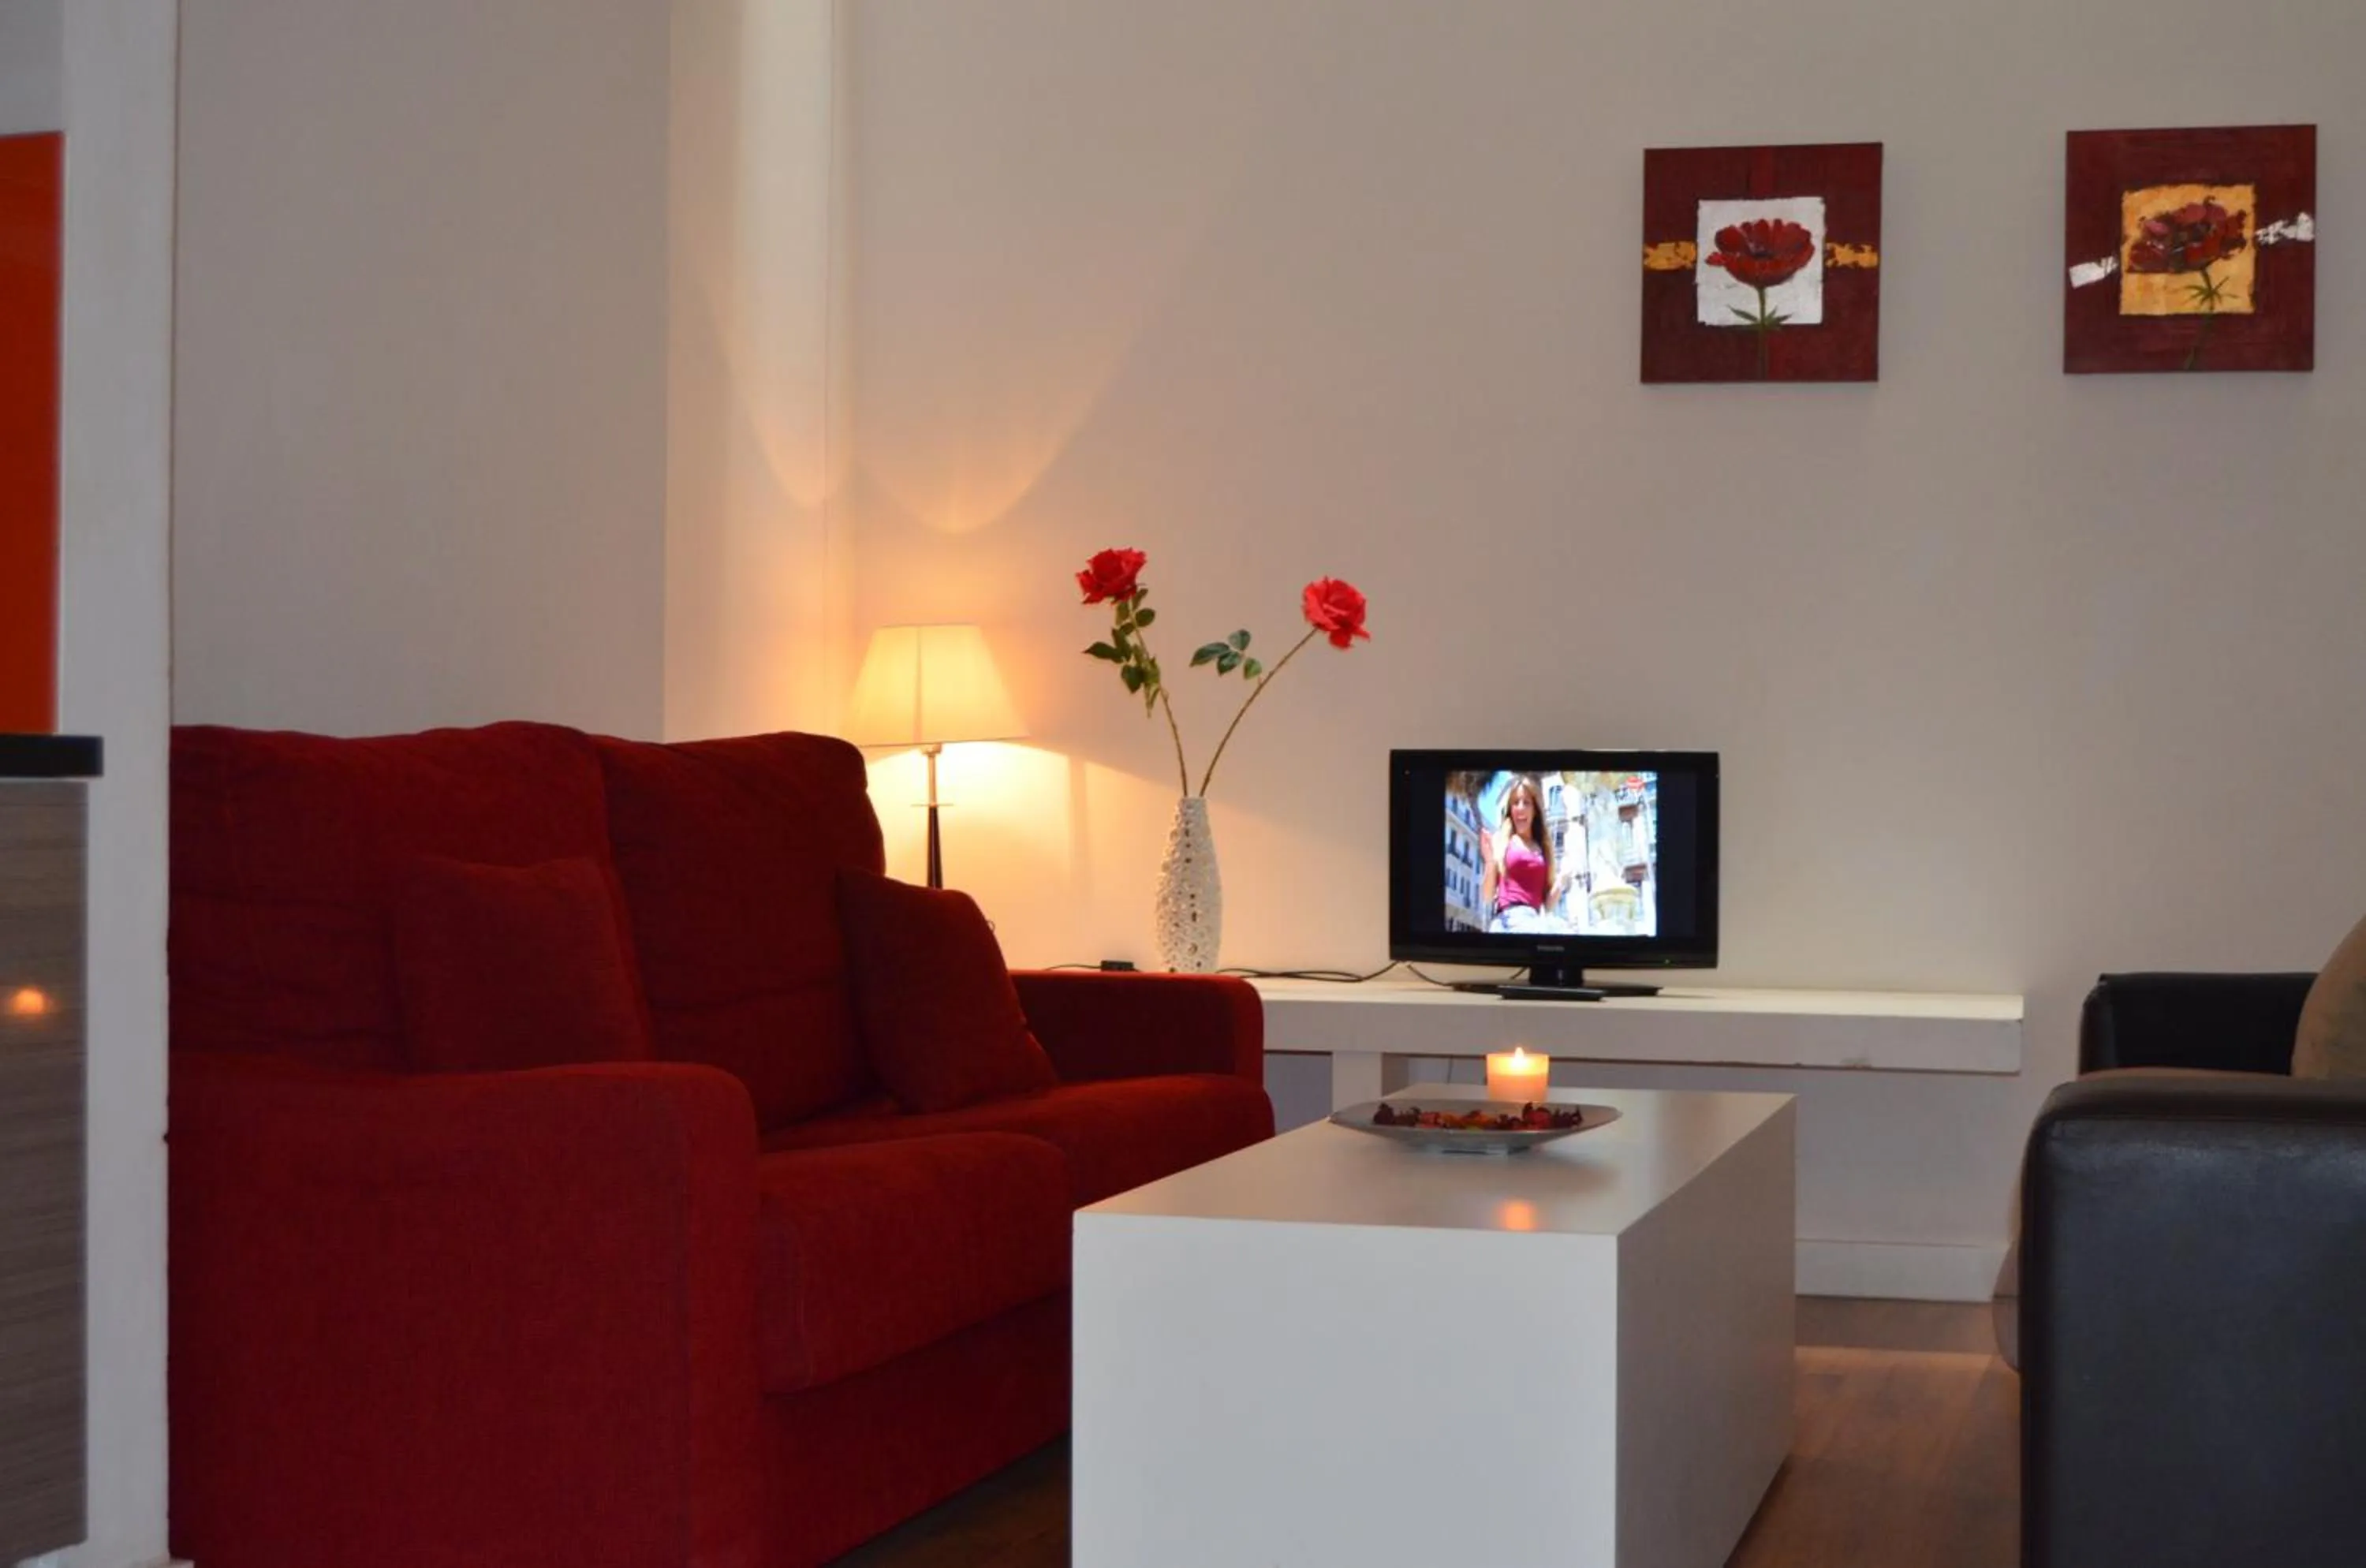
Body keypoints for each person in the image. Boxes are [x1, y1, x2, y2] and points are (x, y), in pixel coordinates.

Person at [1479, 775, 1572, 933]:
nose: (1520, 808)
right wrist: (1489, 861)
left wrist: (1562, 879)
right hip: (1507, 922)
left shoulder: (1543, 848)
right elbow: (1488, 895)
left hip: (1533, 922)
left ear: (1535, 810)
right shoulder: (1502, 841)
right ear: (1511, 810)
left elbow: (1547, 905)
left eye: (1526, 802)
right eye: (1516, 803)